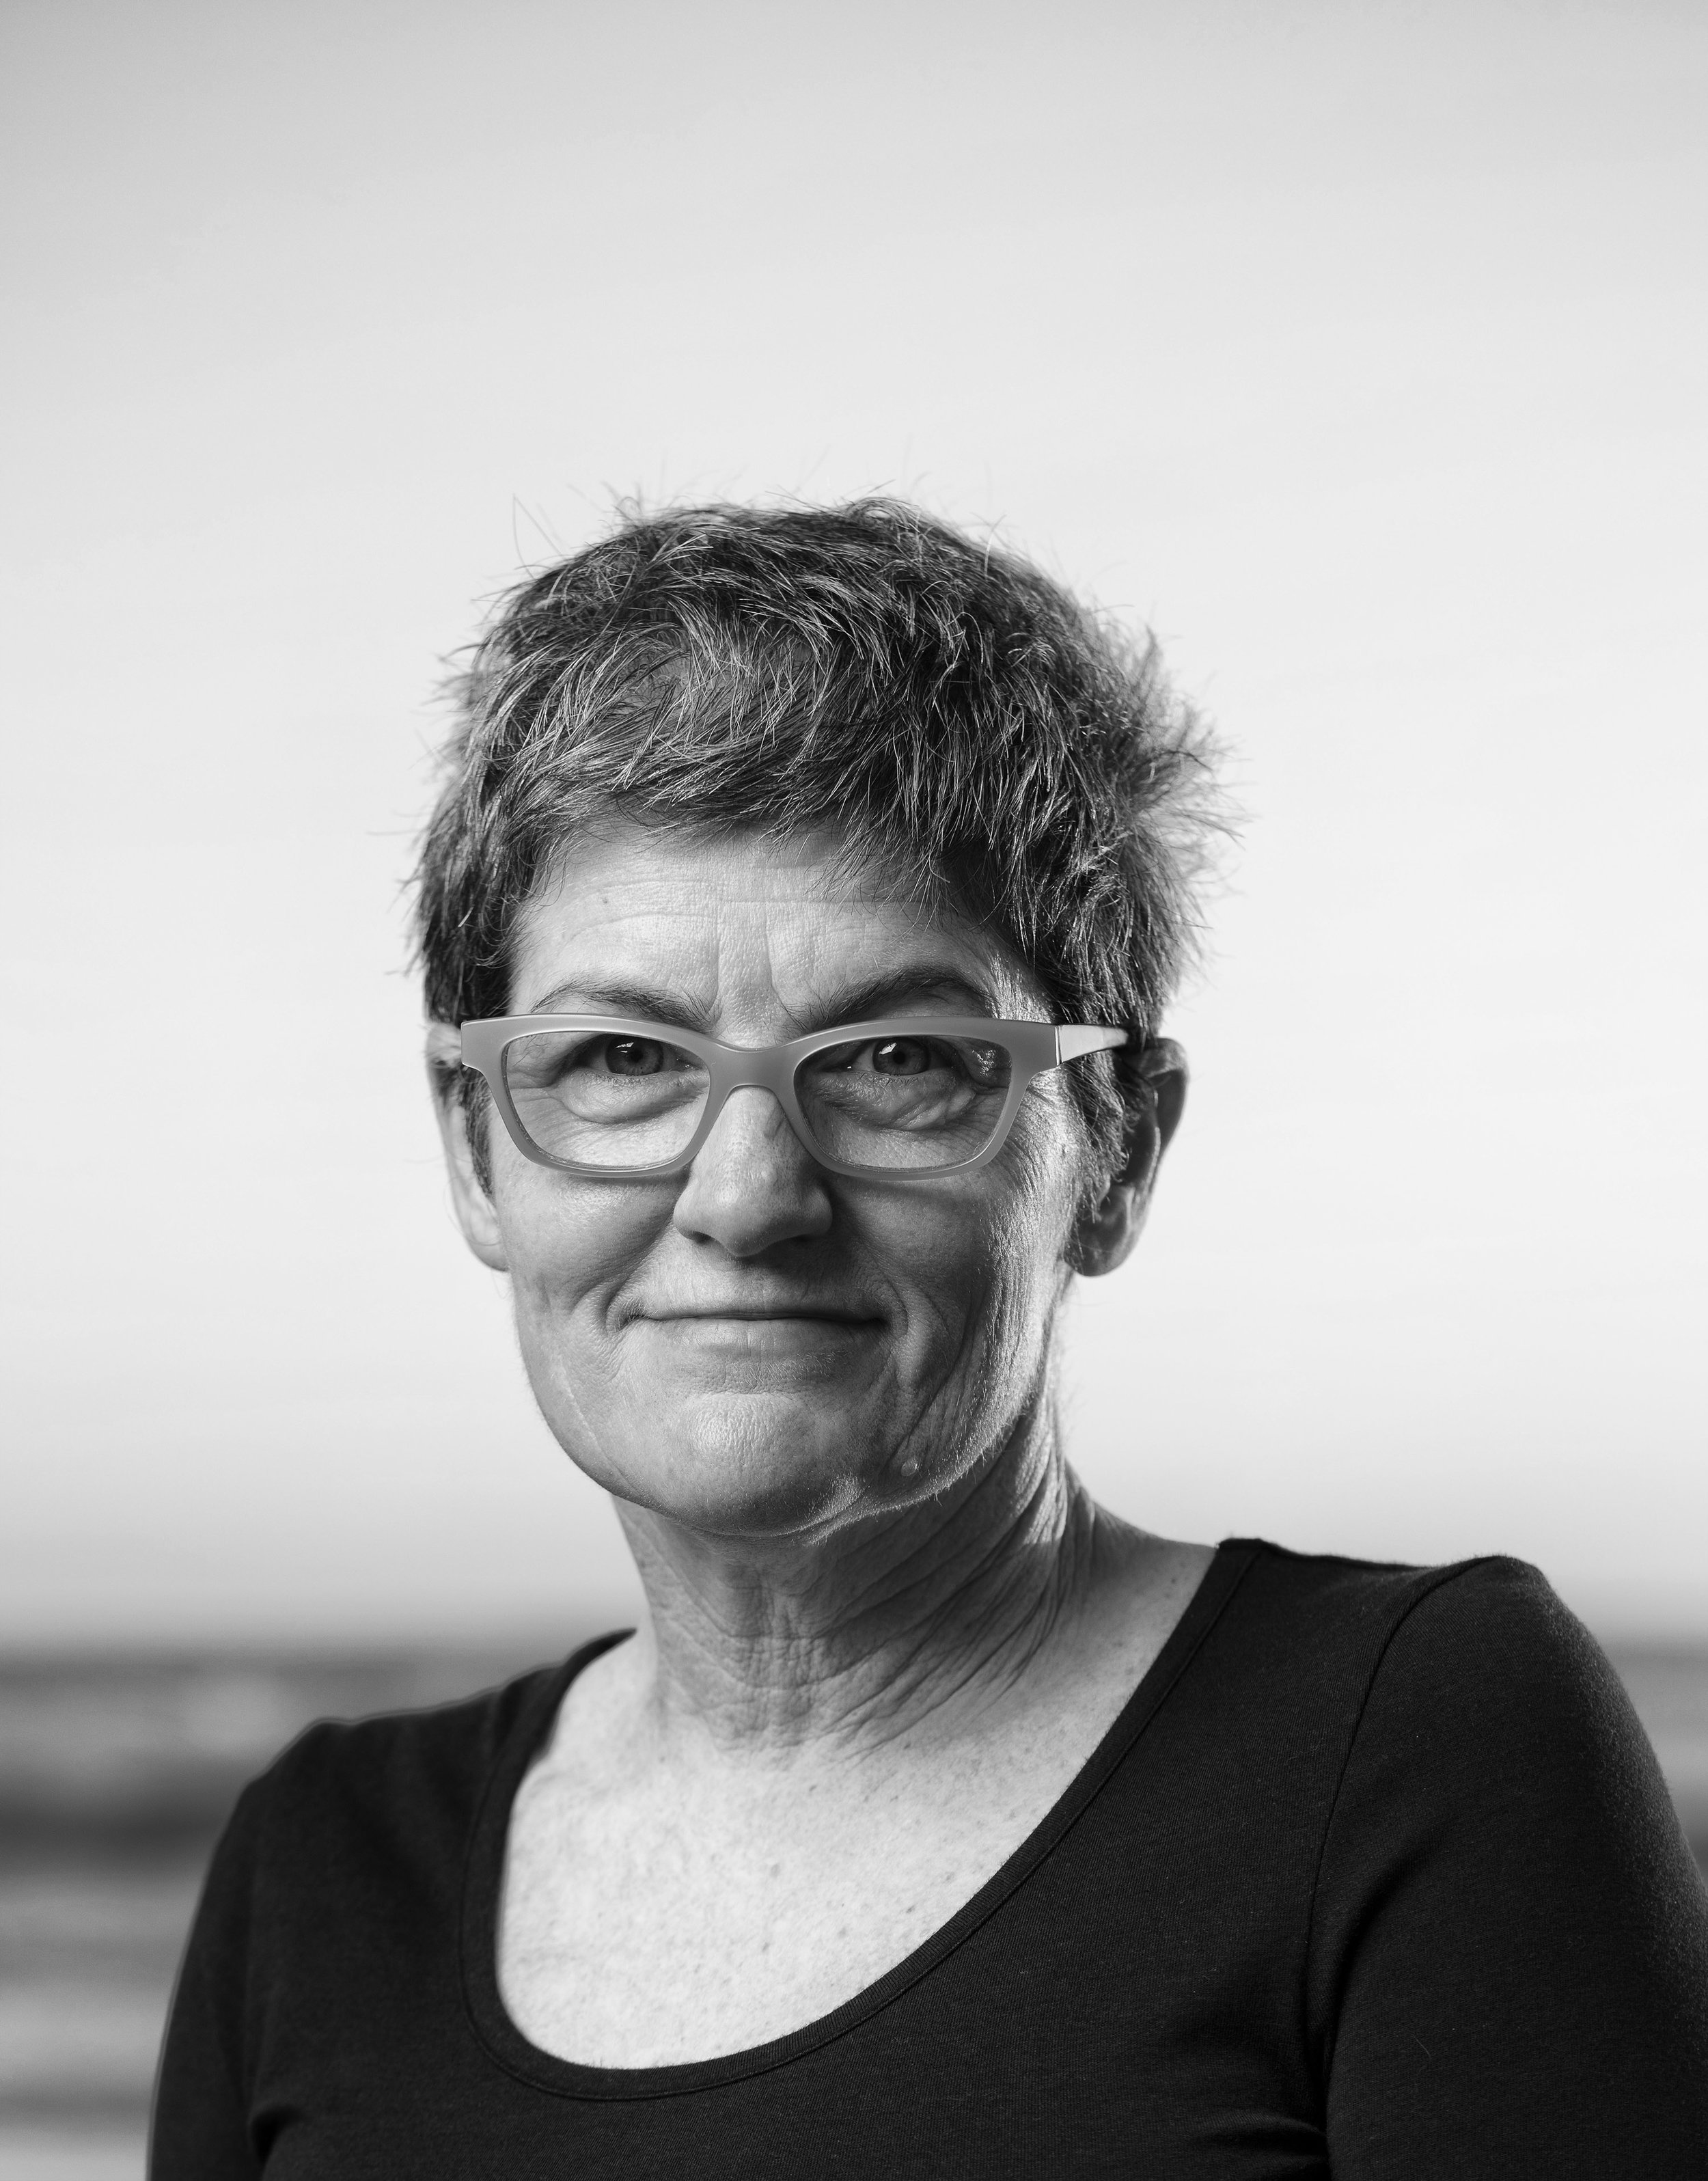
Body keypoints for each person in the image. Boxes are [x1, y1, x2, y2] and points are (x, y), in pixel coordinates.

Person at [151, 502, 1708, 2178]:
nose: (745, 1196)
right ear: (476, 1148)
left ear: (1110, 1147)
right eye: (620, 1059)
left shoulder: (1415, 1748)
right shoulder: (316, 1874)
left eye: (897, 1060)